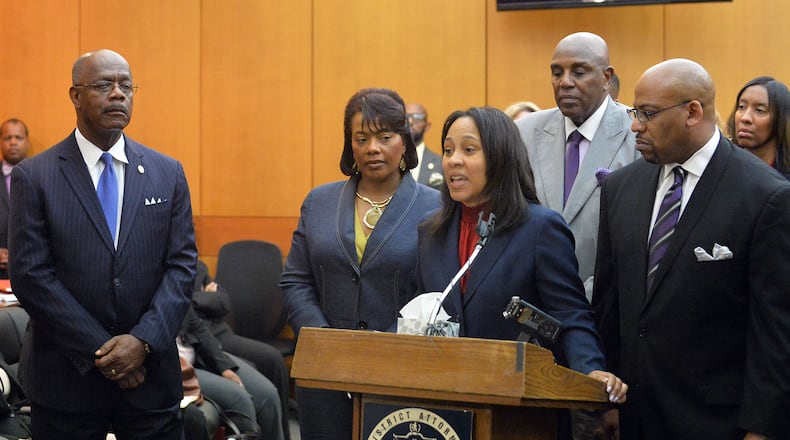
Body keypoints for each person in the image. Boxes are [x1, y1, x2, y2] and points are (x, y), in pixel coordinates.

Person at [593, 58, 790, 439]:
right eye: (636, 112)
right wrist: (606, 402)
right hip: (633, 419)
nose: (635, 125)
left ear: (693, 112)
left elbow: (776, 334)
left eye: (648, 114)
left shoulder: (765, 196)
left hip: (717, 423)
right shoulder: (620, 188)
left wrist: (761, 429)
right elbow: (609, 305)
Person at [8, 49, 197, 439]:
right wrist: (107, 353)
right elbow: (31, 277)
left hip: (150, 384)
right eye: (103, 85)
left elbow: (181, 268)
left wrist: (142, 343)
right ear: (75, 95)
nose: (118, 94)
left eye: (126, 86)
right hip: (66, 384)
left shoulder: (168, 173)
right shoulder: (36, 175)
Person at [416, 107, 627, 437]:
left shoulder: (539, 228)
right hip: (443, 409)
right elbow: (418, 310)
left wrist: (592, 370)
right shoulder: (431, 232)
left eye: (468, 149)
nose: (453, 160)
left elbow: (569, 314)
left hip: (519, 414)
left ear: (500, 157)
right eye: (447, 150)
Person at [280, 87, 440, 440]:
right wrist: (322, 338)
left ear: (404, 141)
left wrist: (381, 349)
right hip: (323, 372)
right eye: (361, 138)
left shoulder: (436, 208)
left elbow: (438, 295)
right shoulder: (319, 201)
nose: (373, 148)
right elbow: (295, 281)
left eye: (385, 137)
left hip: (401, 372)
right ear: (349, 144)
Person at [516, 31, 639, 302]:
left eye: (579, 72)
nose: (565, 83)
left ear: (606, 78)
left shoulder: (637, 133)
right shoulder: (524, 132)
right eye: (557, 73)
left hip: (610, 305)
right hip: (532, 304)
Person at [191, 259, 292, 437]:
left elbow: (222, 301)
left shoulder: (196, 265)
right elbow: (181, 305)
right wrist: (203, 299)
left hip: (218, 332)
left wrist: (195, 301)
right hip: (197, 340)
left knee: (272, 360)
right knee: (245, 391)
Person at [179, 305, 284, 440]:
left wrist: (224, 368)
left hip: (199, 354)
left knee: (267, 394)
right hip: (180, 371)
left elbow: (198, 328)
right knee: (239, 398)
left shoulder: (175, 287)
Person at [726, 76, 790, 179]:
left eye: (759, 110)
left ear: (780, 119)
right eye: (741, 107)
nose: (745, 118)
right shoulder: (722, 165)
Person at [0, 118, 32, 279]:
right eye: (7, 138)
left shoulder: (44, 176)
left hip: (33, 271)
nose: (13, 142)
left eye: (18, 138)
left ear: (27, 142)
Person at [406, 103, 444, 189]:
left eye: (417, 117)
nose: (410, 121)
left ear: (427, 126)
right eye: (406, 117)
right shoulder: (391, 160)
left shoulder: (441, 164)